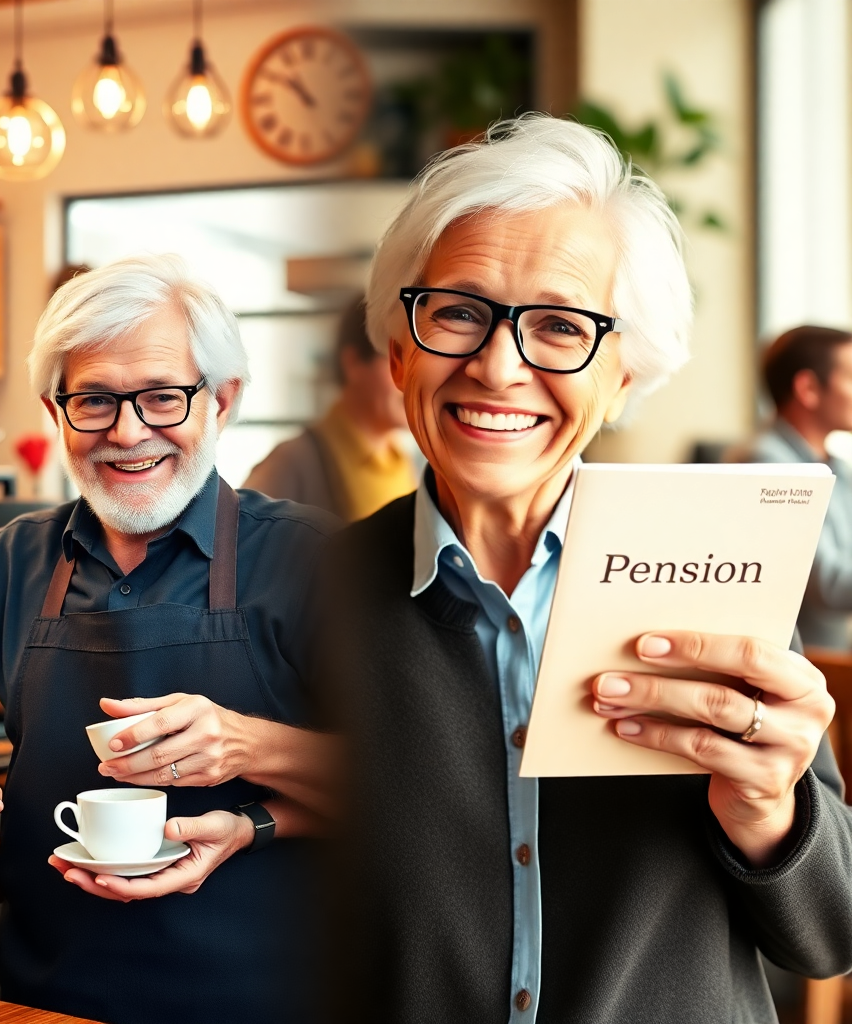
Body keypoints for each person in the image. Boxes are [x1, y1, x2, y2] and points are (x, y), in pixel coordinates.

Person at [317, 117, 852, 1024]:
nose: (497, 366)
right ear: (399, 347)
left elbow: (827, 939)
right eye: (456, 311)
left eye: (561, 326)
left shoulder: (709, 571)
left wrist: (769, 810)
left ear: (624, 378)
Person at [0, 253, 336, 1024]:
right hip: (46, 1000)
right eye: (96, 401)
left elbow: (418, 775)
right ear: (55, 409)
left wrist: (246, 747)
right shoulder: (13, 559)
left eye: (162, 397)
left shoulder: (316, 559)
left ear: (223, 401)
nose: (127, 431)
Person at [732, 325, 852, 649]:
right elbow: (826, 584)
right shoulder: (768, 464)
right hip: (803, 665)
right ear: (809, 388)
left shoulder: (832, 463)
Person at [244, 294, 416, 521]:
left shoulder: (401, 463)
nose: (411, 379)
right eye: (394, 359)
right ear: (353, 363)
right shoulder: (292, 464)